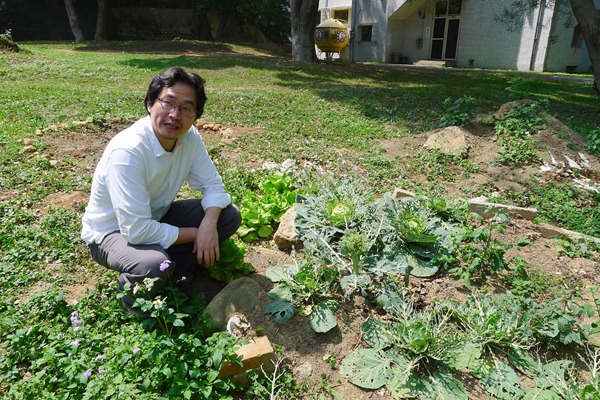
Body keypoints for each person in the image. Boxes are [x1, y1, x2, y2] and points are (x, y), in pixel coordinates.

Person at [81, 66, 241, 311]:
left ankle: (174, 272)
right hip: (111, 234)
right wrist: (198, 234)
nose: (175, 115)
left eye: (186, 108)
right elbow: (135, 231)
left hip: (155, 216)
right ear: (149, 104)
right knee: (153, 264)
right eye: (168, 103)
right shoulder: (128, 151)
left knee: (227, 216)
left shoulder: (189, 138)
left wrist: (208, 224)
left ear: (196, 115)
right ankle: (132, 294)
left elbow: (213, 186)